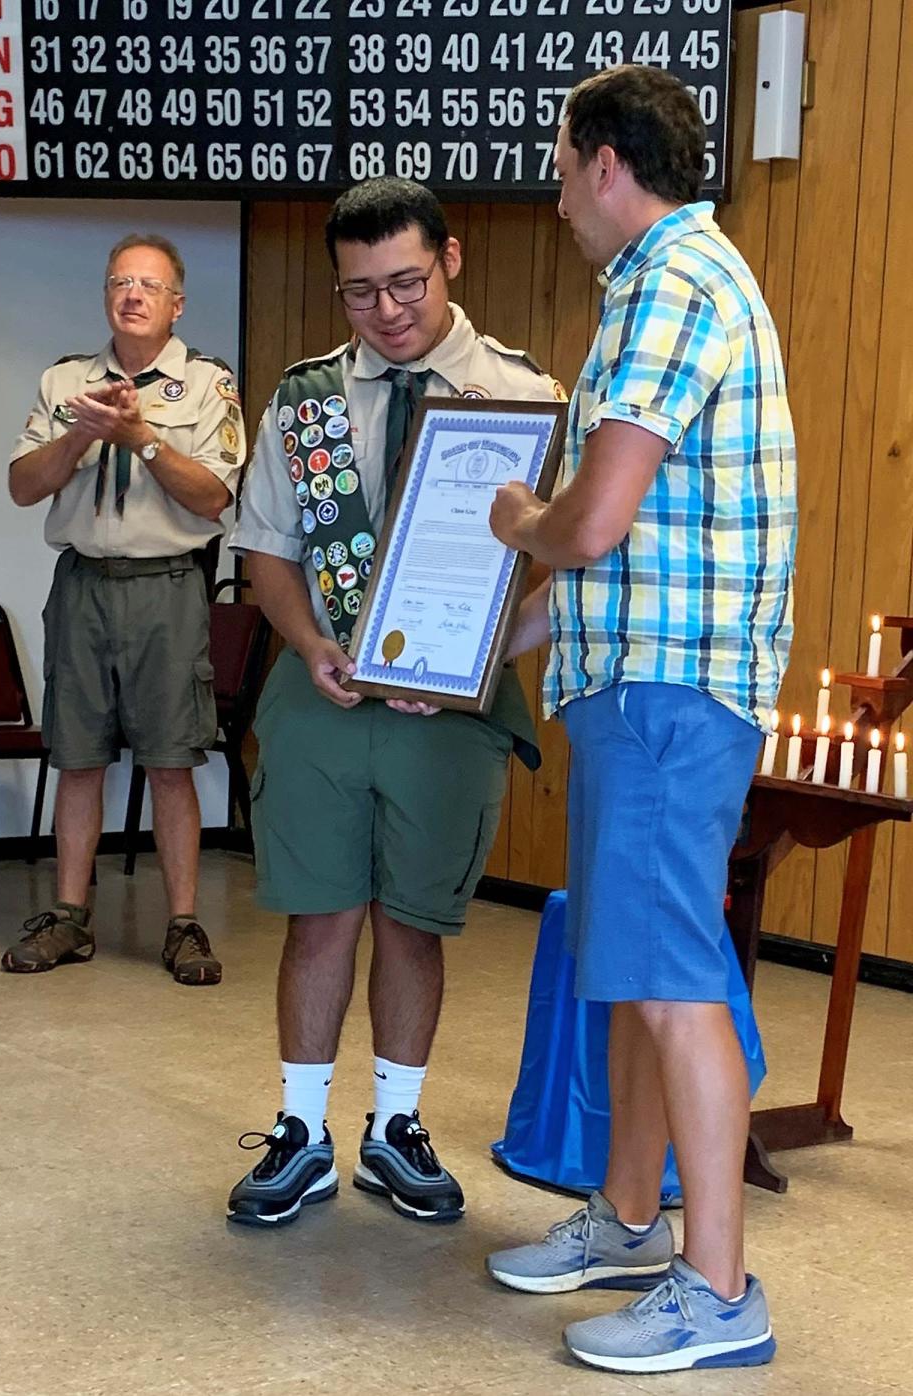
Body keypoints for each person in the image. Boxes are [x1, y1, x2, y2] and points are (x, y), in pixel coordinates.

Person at [485, 67, 797, 1374]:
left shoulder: (674, 280)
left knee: (674, 986)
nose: (557, 199)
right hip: (636, 682)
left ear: (611, 163)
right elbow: (639, 547)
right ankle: (625, 1220)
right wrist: (497, 642)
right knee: (632, 973)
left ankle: (719, 1294)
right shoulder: (661, 283)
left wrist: (516, 525)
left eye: (561, 170)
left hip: (669, 699)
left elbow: (592, 520)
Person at [227, 177, 562, 1226]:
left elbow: (570, 563)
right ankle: (299, 1129)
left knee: (416, 921)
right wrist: (311, 641)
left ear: (451, 260)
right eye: (359, 293)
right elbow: (266, 552)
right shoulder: (308, 399)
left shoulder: (526, 396)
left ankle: (397, 1128)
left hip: (452, 714)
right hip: (323, 693)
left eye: (406, 282)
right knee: (320, 913)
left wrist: (475, 658)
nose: (387, 310)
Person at [2, 234, 245, 985]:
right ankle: (69, 918)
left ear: (176, 304)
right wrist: (82, 430)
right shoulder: (65, 379)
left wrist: (141, 439)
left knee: (172, 760)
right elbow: (22, 485)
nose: (131, 295)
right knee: (77, 757)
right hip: (81, 584)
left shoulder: (208, 385)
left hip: (168, 587)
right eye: (118, 283)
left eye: (148, 285)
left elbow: (214, 497)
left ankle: (182, 925)